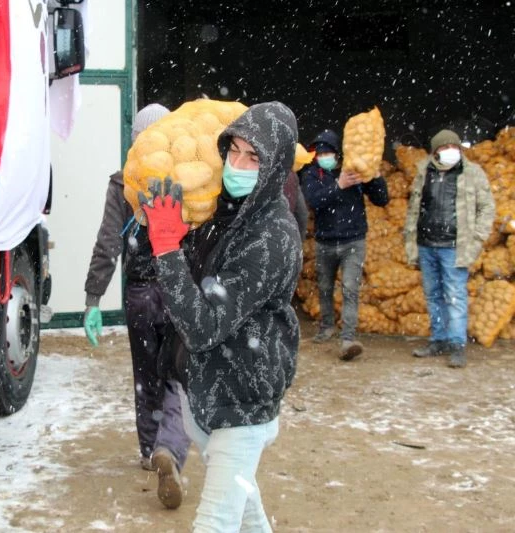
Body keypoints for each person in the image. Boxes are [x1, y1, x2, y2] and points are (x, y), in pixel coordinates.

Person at [139, 101, 302, 532]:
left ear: (275, 166)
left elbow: (203, 325)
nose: (239, 164)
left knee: (214, 523)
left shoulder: (271, 236)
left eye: (254, 157)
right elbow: (188, 295)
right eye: (234, 151)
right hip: (210, 394)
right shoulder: (223, 217)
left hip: (243, 401)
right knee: (246, 512)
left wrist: (167, 249)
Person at [82, 103, 191, 509]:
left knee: (146, 376)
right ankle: (171, 448)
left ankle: (150, 451)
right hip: (179, 291)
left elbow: (108, 243)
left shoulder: (122, 183)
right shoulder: (187, 180)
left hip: (141, 294)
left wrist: (94, 299)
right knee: (179, 377)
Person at [404, 129, 495, 368]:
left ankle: (457, 346)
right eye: (443, 148)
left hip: (454, 246)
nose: (449, 152)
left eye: (453, 147)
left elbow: (486, 208)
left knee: (455, 296)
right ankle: (438, 340)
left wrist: (478, 238)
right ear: (435, 152)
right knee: (433, 295)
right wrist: (410, 241)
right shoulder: (425, 171)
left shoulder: (472, 173)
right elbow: (414, 208)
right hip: (426, 244)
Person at [299, 129, 389, 361]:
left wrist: (375, 177)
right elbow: (313, 201)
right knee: (325, 287)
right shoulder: (312, 174)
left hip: (353, 240)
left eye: (328, 152)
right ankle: (327, 327)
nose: (324, 156)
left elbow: (381, 199)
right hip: (325, 241)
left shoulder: (354, 170)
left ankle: (348, 338)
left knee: (350, 289)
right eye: (320, 154)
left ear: (338, 154)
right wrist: (338, 185)